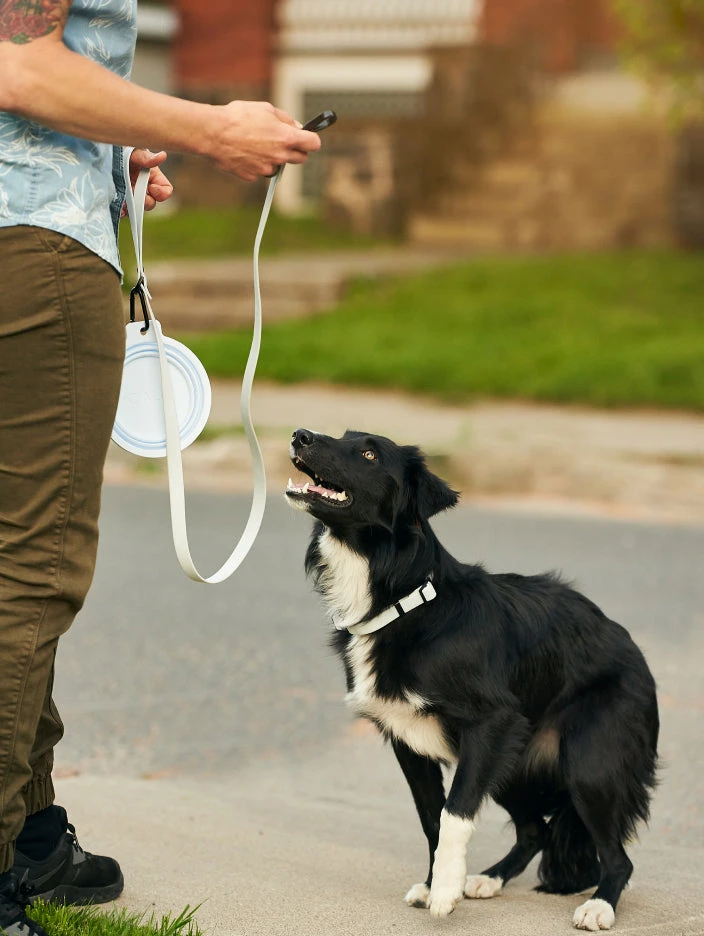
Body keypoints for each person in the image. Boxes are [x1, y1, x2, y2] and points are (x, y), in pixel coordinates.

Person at [0, 2, 322, 934]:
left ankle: (25, 831)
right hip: (33, 246)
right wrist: (214, 128)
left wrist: (110, 148)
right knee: (30, 567)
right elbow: (20, 66)